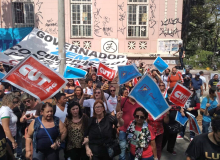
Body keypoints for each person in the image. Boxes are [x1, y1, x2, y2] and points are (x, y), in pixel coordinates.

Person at [116, 96, 142, 160]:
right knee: (122, 147)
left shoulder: (139, 102)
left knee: (133, 147)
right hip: (123, 128)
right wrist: (119, 102)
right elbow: (117, 110)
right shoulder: (124, 100)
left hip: (135, 129)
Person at [162, 88, 186, 155]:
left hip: (175, 122)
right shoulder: (165, 100)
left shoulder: (177, 101)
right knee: (164, 137)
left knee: (173, 138)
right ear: (169, 94)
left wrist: (182, 111)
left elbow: (181, 108)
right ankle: (160, 149)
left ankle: (170, 149)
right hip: (167, 122)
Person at [148, 85, 169, 160]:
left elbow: (166, 121)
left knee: (158, 147)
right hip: (150, 132)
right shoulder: (148, 108)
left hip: (159, 131)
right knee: (149, 147)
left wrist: (167, 115)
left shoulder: (162, 108)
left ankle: (157, 158)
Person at [12, 95, 24, 159]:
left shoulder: (21, 107)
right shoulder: (9, 109)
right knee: (12, 142)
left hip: (18, 127)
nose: (16, 103)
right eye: (14, 102)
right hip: (11, 128)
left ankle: (19, 154)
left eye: (17, 102)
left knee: (18, 141)